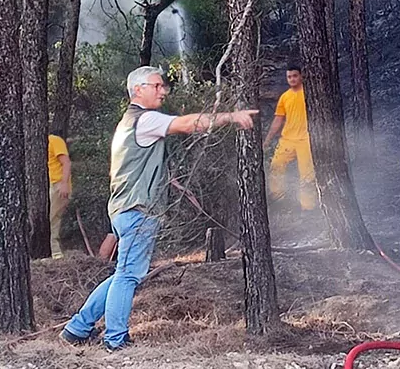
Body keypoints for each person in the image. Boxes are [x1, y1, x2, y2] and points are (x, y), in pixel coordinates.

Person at [61, 66, 257, 352]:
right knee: (128, 276)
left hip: (124, 209)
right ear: (138, 89)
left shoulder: (128, 122)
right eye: (157, 85)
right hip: (138, 211)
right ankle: (115, 340)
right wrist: (230, 117)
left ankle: (77, 329)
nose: (163, 90)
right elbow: (188, 124)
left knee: (123, 274)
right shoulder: (145, 119)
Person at [263, 64, 316, 212]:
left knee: (307, 173)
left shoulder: (309, 93)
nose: (292, 79)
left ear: (301, 76)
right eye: (289, 77)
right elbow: (278, 120)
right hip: (287, 139)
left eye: (295, 76)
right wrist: (268, 139)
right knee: (276, 165)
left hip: (305, 139)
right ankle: (279, 199)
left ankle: (308, 207)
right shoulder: (285, 97)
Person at [48, 134, 72, 259]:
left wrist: (64, 184)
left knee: (50, 220)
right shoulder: (38, 145)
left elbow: (66, 162)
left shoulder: (54, 140)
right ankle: (53, 254)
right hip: (48, 184)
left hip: (57, 184)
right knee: (51, 220)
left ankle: (55, 254)